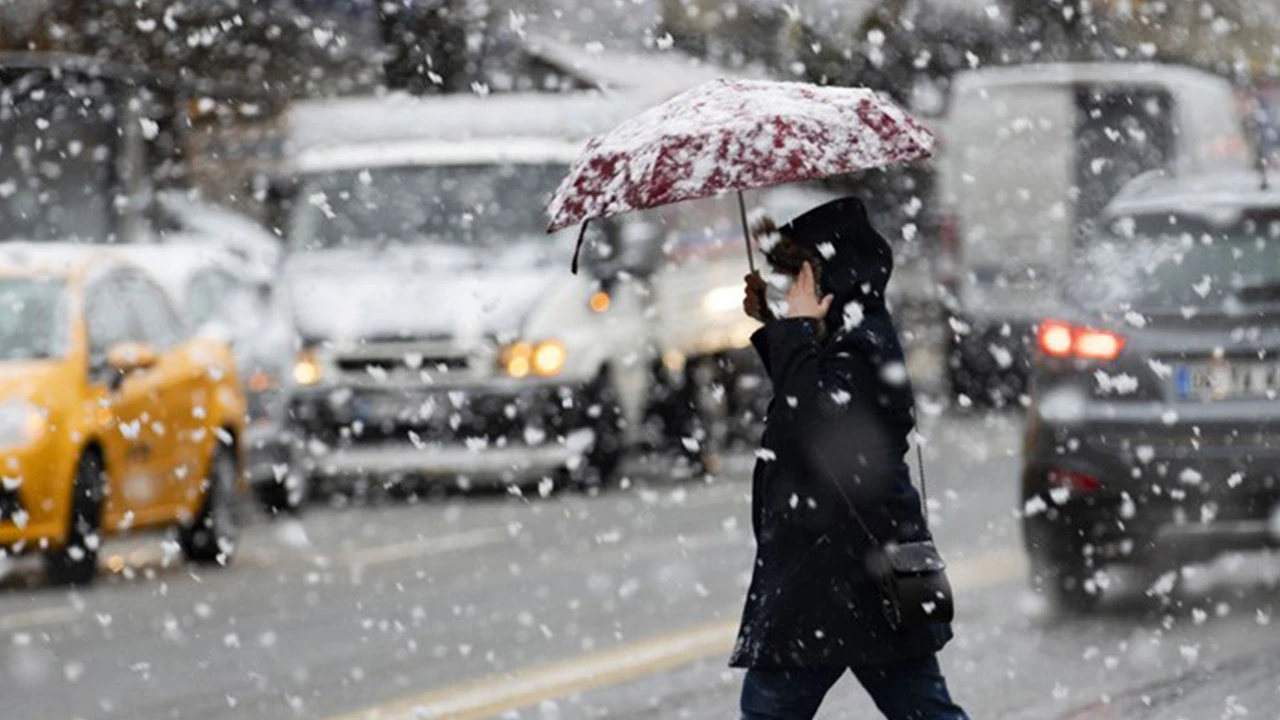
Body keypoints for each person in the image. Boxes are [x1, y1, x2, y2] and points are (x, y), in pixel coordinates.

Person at [733, 197, 968, 720]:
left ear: (821, 272)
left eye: (794, 275)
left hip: (840, 570)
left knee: (771, 709)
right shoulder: (851, 333)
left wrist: (791, 330)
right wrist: (777, 326)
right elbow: (811, 403)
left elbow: (816, 423)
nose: (788, 287)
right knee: (922, 708)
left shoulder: (861, 343)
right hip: (852, 566)